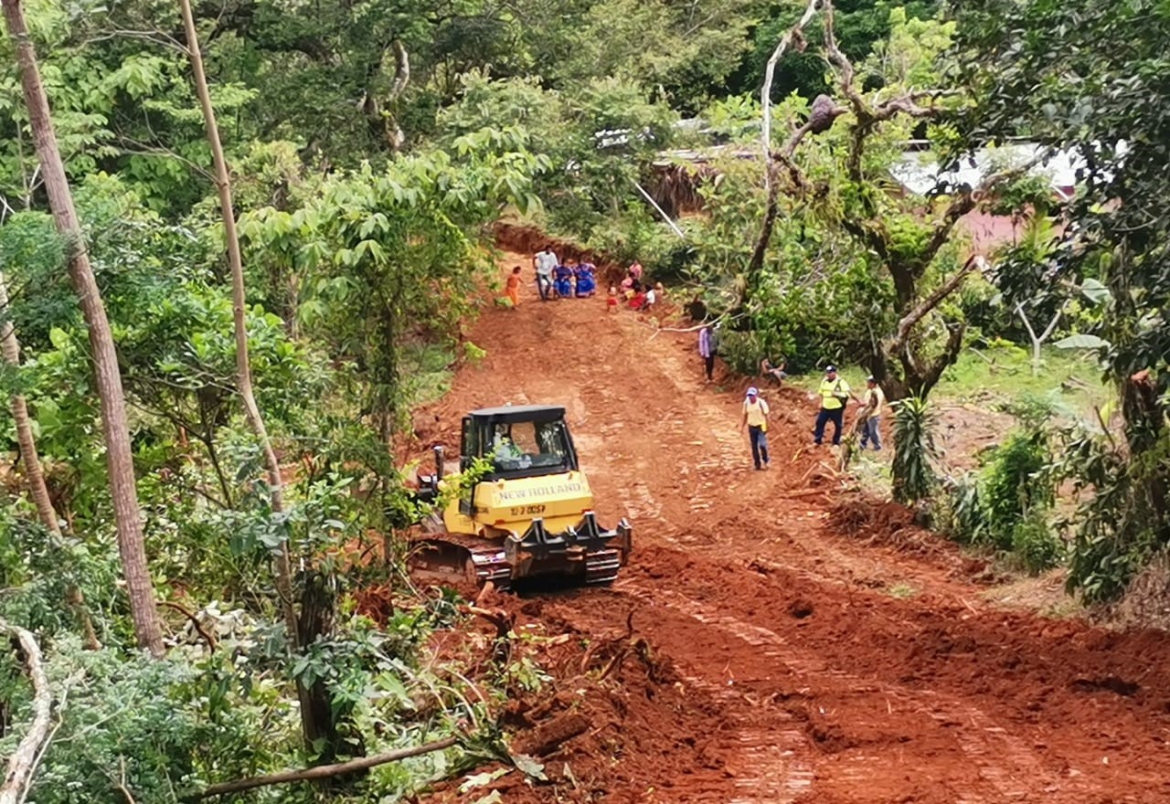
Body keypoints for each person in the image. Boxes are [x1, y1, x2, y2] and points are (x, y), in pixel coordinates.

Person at [814, 365, 854, 446]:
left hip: (836, 407)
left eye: (830, 373)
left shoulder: (840, 382)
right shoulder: (824, 381)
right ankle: (817, 440)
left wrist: (837, 394)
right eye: (827, 373)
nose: (829, 375)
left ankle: (836, 441)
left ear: (835, 373)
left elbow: (846, 394)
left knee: (838, 425)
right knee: (819, 422)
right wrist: (821, 402)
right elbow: (821, 393)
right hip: (825, 407)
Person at [741, 386, 771, 470]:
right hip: (751, 427)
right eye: (749, 395)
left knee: (762, 445)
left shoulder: (761, 403)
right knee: (754, 447)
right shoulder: (746, 404)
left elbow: (766, 415)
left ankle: (766, 461)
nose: (751, 397)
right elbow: (745, 416)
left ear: (756, 395)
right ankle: (757, 464)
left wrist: (768, 426)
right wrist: (742, 427)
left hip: (761, 426)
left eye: (752, 395)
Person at [858, 376, 886, 451]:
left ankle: (877, 446)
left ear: (873, 383)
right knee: (865, 430)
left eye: (868, 383)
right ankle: (862, 444)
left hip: (873, 414)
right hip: (867, 414)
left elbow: (874, 404)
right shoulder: (869, 391)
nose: (867, 384)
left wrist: (866, 410)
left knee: (873, 431)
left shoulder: (878, 392)